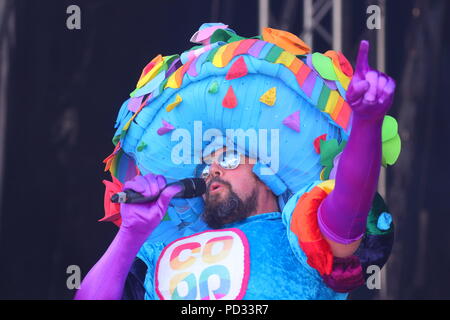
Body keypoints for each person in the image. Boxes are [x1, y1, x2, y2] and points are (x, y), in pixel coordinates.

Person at [75, 23, 398, 300]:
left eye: (228, 158)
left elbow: (348, 207)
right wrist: (130, 234)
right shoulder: (159, 251)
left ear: (268, 172)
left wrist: (367, 123)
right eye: (205, 166)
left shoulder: (298, 230)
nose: (211, 169)